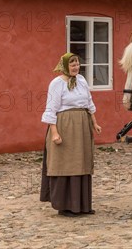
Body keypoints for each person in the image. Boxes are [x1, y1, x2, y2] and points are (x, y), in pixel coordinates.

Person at [40, 53, 102, 217]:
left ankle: (82, 205)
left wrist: (94, 123)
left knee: (82, 162)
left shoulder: (81, 80)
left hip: (82, 125)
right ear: (65, 66)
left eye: (77, 64)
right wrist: (54, 133)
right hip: (64, 125)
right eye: (72, 64)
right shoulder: (56, 84)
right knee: (65, 163)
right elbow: (51, 109)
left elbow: (89, 103)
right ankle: (66, 206)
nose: (76, 67)